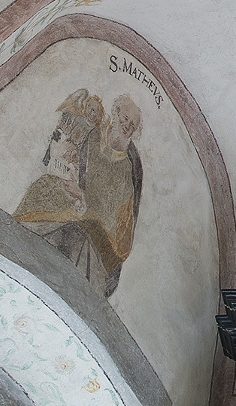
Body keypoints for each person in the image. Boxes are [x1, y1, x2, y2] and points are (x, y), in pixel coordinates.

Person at [16, 92, 144, 298]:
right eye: (125, 118)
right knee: (43, 187)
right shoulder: (94, 136)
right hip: (75, 199)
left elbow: (113, 211)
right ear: (116, 112)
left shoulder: (127, 167)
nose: (127, 125)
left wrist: (83, 198)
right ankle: (18, 246)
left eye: (132, 125)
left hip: (100, 224)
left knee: (79, 235)